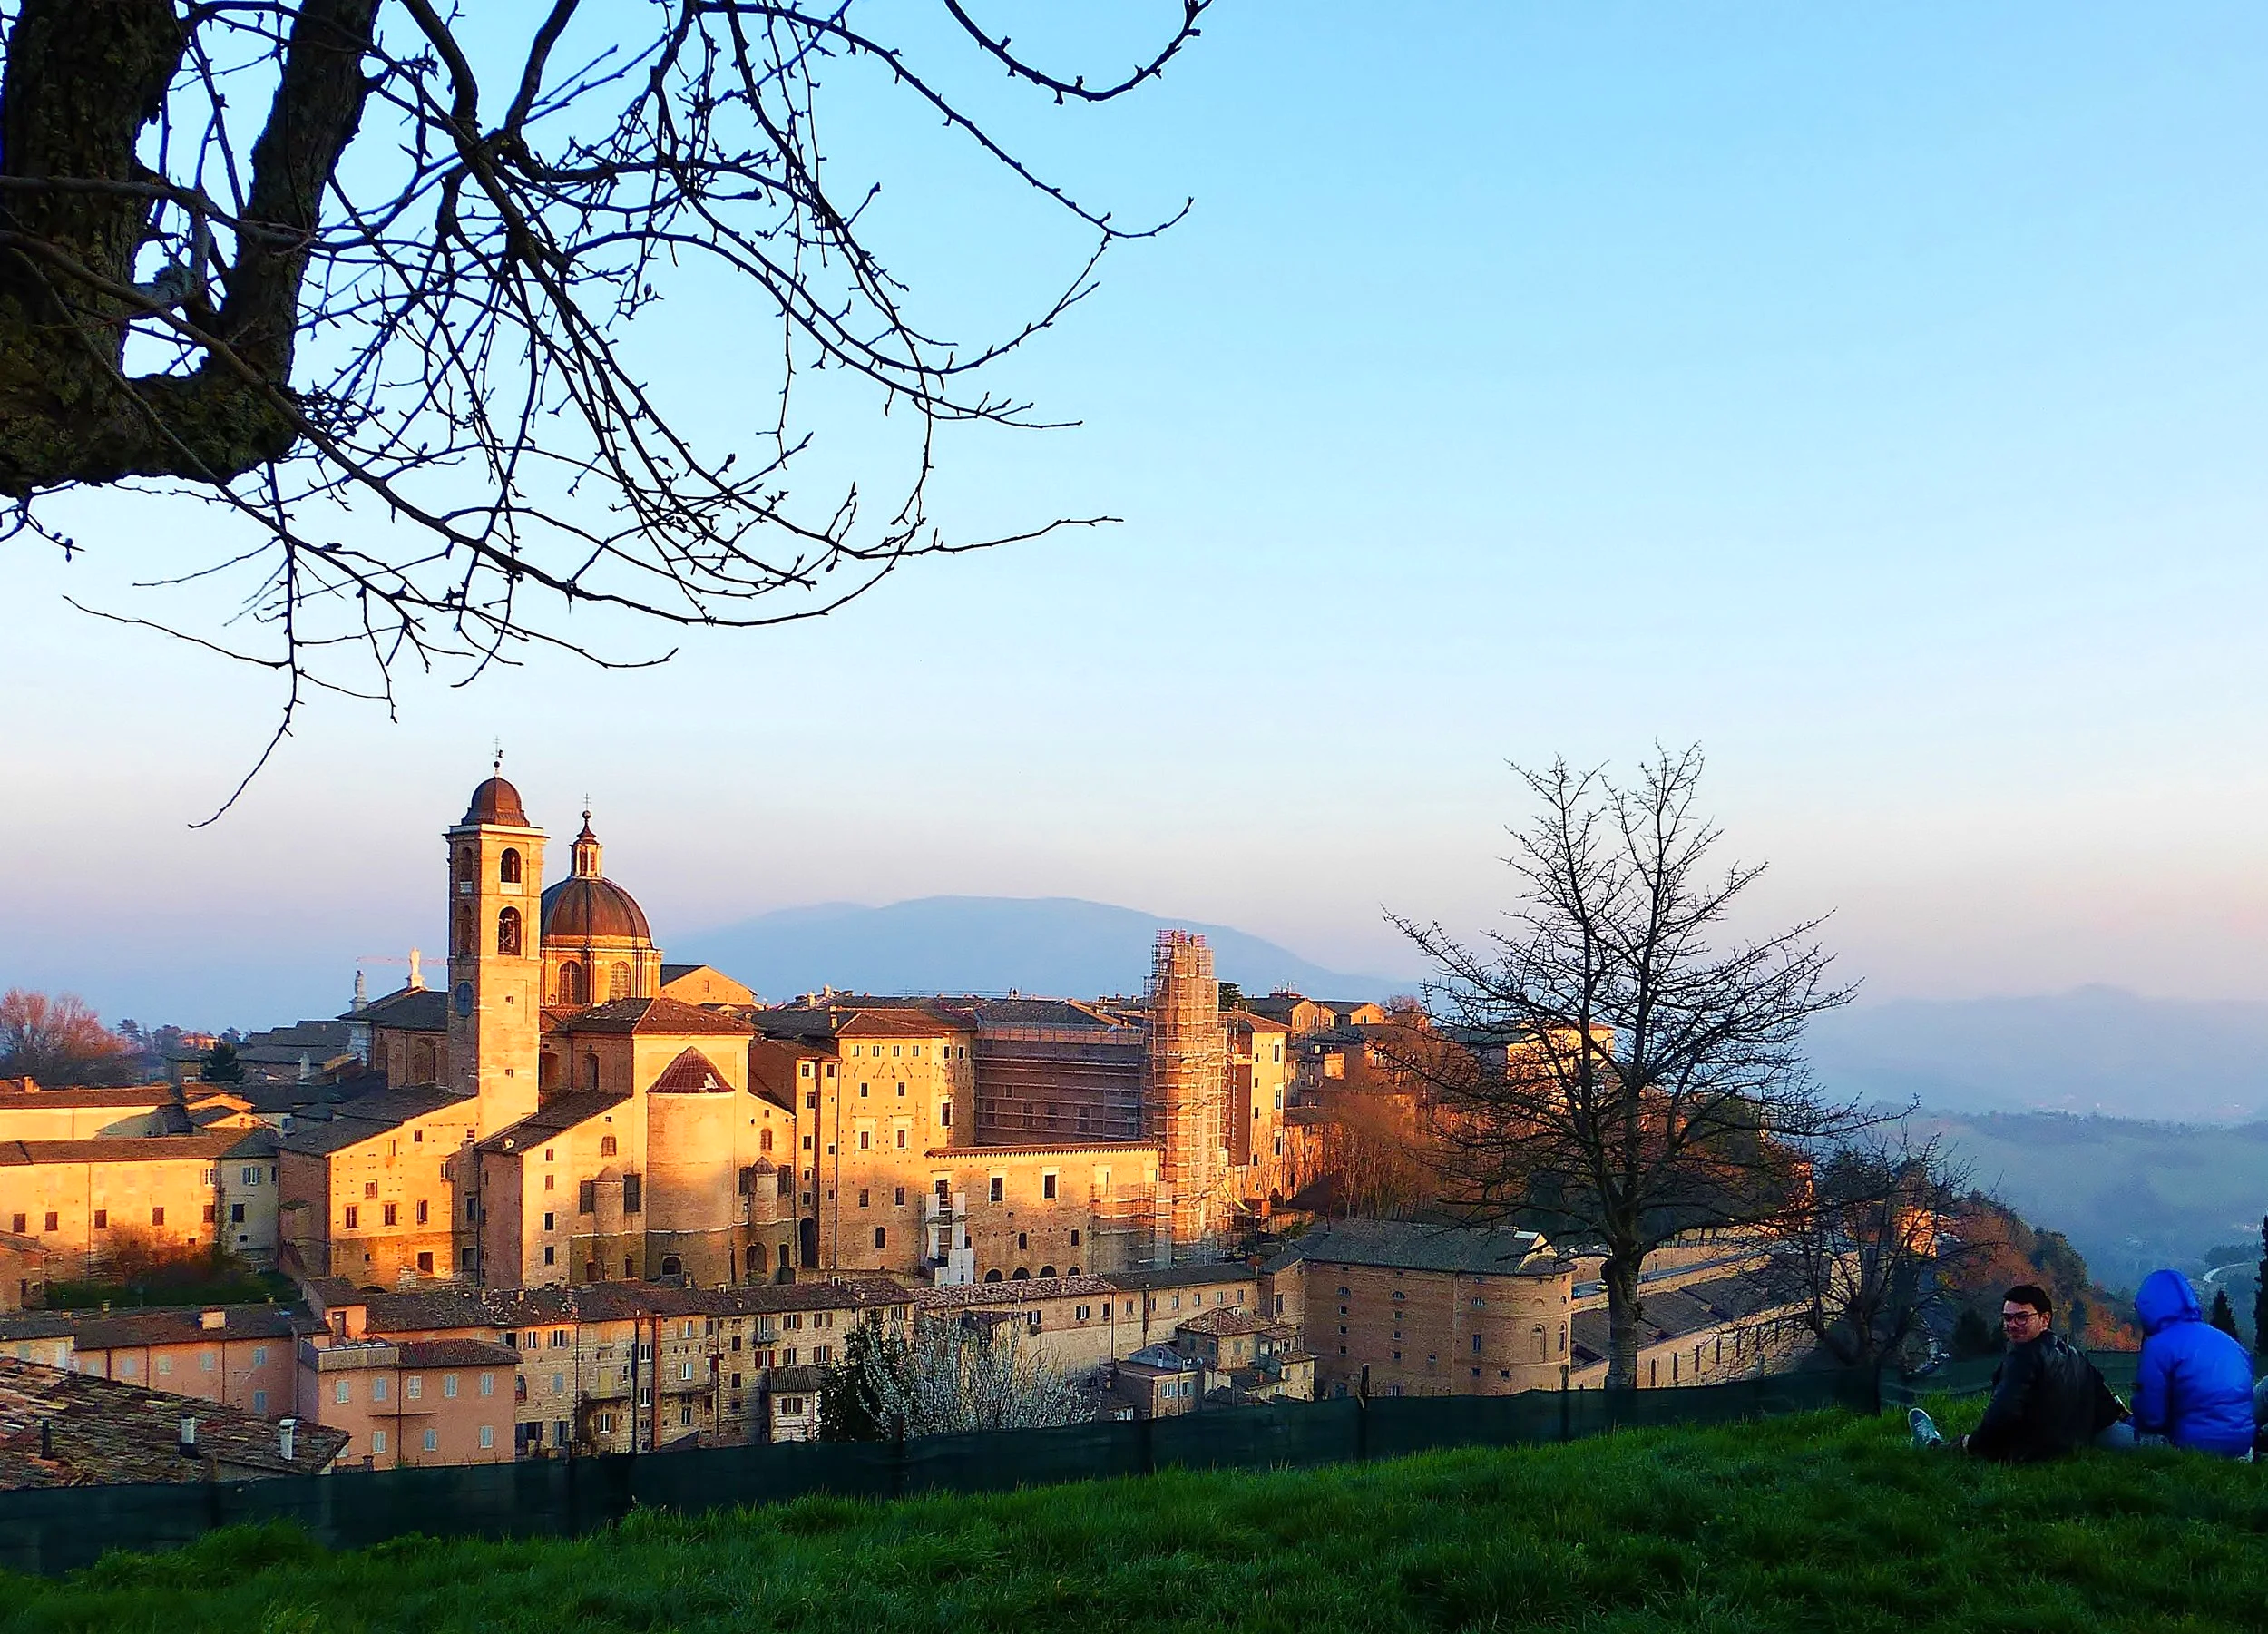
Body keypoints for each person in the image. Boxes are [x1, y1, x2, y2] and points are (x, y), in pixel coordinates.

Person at [1909, 1284, 2126, 1460]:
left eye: (2022, 1317)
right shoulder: (2074, 1356)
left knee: (1955, 1447)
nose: (2013, 1324)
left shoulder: (2023, 1358)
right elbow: (2106, 1404)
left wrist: (1971, 1444)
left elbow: (2002, 1413)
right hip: (2069, 1451)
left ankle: (1932, 1445)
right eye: (2007, 1318)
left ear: (2044, 1319)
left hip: (2026, 1453)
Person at [2130, 1268, 2255, 1458]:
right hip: (2242, 1445)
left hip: (2191, 1447)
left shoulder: (2158, 1346)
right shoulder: (2229, 1342)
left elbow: (2151, 1418)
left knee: (2118, 1436)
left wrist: (2132, 1416)